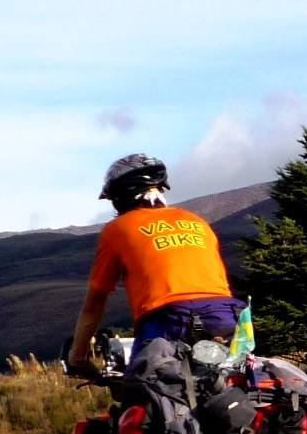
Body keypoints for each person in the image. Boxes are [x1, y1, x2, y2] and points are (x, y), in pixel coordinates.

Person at [67, 154, 244, 374]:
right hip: (226, 314)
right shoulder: (197, 222)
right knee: (231, 382)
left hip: (167, 318)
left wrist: (77, 358)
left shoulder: (117, 229)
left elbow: (94, 306)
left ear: (120, 197)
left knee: (142, 390)